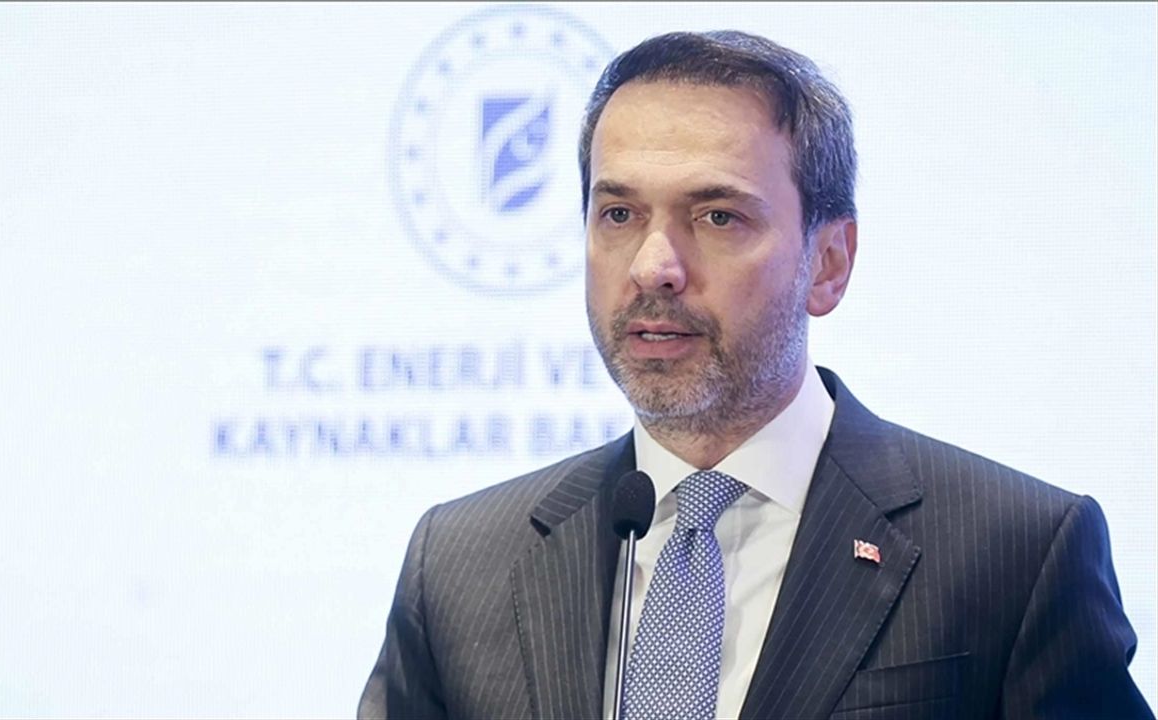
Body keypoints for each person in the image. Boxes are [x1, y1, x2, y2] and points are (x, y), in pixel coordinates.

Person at [358, 30, 1153, 720]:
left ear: (828, 263)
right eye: (619, 214)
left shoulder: (1016, 554)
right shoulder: (459, 565)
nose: (654, 266)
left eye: (718, 216)